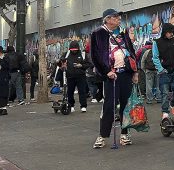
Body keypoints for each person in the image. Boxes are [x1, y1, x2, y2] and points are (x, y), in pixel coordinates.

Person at [90, 8, 138, 149]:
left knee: (126, 104)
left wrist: (135, 71)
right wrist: (106, 72)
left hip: (125, 73)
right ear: (108, 19)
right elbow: (95, 56)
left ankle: (124, 133)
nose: (119, 19)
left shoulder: (123, 33)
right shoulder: (98, 33)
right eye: (116, 17)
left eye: (119, 17)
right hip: (111, 75)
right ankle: (102, 135)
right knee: (109, 105)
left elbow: (131, 51)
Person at [152, 22, 174, 122]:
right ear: (165, 32)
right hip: (164, 72)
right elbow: (155, 57)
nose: (172, 34)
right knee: (165, 93)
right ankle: (165, 112)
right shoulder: (156, 42)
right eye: (170, 32)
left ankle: (173, 104)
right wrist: (161, 69)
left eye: (173, 32)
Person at [64, 40, 89, 112]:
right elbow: (60, 63)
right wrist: (61, 63)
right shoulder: (66, 54)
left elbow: (89, 64)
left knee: (82, 91)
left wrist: (81, 65)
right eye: (72, 50)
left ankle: (83, 106)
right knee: (70, 91)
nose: (74, 51)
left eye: (75, 50)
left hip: (81, 76)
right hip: (70, 76)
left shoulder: (83, 54)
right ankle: (71, 105)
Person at [139, 40, 159, 104]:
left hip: (148, 70)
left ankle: (149, 99)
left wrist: (143, 69)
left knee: (149, 85)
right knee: (158, 85)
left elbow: (143, 61)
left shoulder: (147, 52)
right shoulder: (158, 51)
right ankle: (159, 98)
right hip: (157, 70)